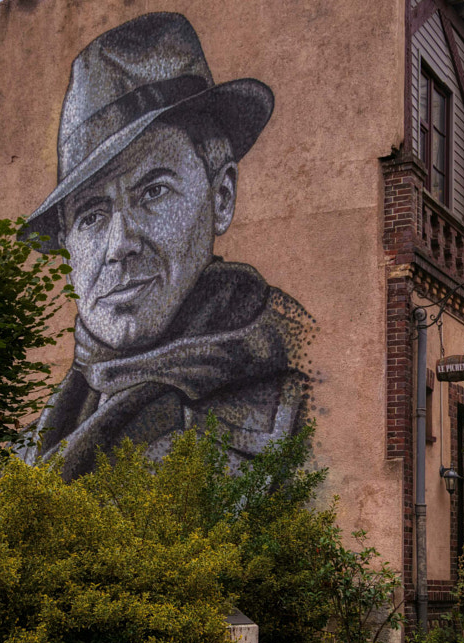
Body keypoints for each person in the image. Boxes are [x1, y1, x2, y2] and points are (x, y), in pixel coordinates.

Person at [18, 12, 312, 479]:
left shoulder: (298, 411)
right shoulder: (37, 440)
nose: (120, 245)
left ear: (220, 198)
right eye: (92, 216)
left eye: (152, 192)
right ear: (68, 249)